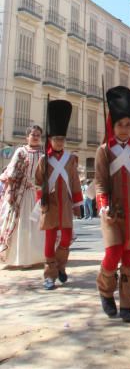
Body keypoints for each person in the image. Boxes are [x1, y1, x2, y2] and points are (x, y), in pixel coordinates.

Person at [95, 86, 130, 322]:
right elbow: (100, 182)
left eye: (127, 125)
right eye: (120, 125)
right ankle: (105, 290)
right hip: (111, 213)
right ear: (112, 126)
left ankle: (127, 305)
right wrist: (103, 205)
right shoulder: (104, 151)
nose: (124, 129)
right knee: (113, 254)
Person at [35, 100, 82, 290]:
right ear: (50, 140)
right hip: (51, 205)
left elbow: (75, 181)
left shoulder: (70, 159)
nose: (60, 142)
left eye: (62, 139)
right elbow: (38, 181)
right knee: (49, 241)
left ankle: (60, 266)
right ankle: (49, 275)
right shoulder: (43, 160)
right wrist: (42, 201)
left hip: (66, 203)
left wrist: (78, 204)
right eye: (56, 139)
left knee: (66, 238)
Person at [0, 125, 45, 267]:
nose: (36, 137)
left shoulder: (44, 153)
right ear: (27, 137)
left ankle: (38, 256)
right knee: (22, 224)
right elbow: (12, 173)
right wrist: (10, 192)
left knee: (38, 224)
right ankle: (20, 258)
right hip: (22, 192)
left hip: (38, 193)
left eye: (38, 135)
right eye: (33, 134)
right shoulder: (21, 151)